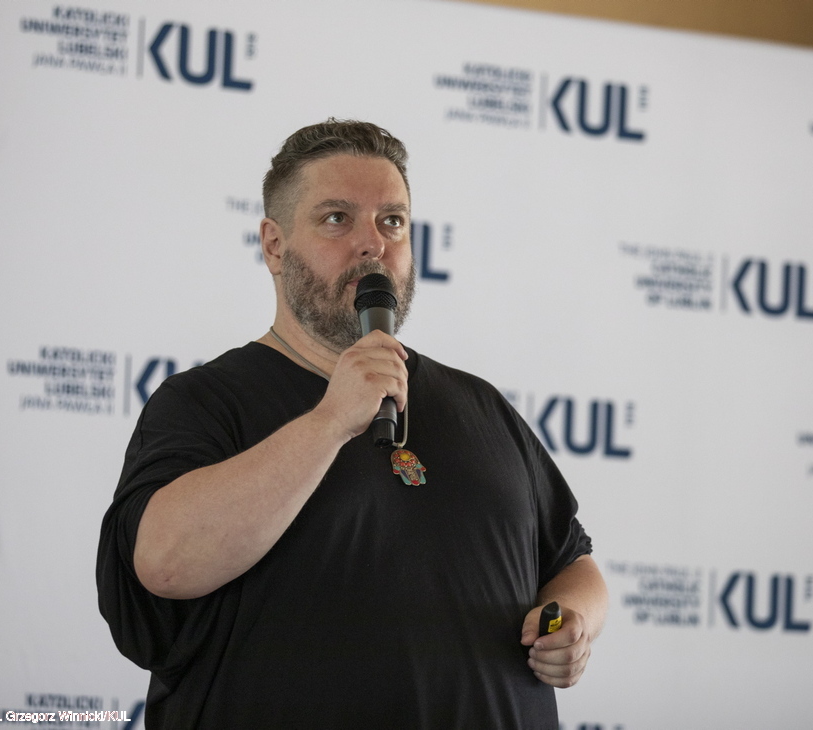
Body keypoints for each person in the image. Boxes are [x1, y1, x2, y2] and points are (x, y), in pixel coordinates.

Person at [97, 119, 607, 729]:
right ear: (274, 245)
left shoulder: (482, 405)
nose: (373, 244)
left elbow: (572, 562)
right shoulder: (205, 402)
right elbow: (165, 563)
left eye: (392, 221)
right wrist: (332, 419)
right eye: (337, 219)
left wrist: (572, 622)